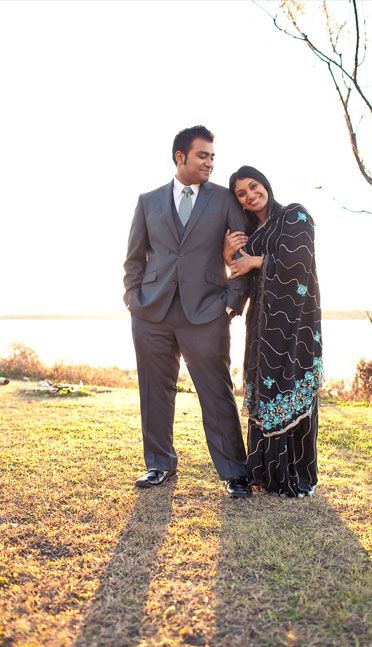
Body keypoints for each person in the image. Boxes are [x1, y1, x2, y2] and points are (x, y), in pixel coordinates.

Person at [123, 125, 252, 498]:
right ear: (180, 157)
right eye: (203, 155)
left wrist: (231, 303)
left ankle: (234, 473)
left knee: (216, 391)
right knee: (154, 390)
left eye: (212, 156)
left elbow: (240, 257)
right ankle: (158, 464)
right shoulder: (148, 201)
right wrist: (133, 298)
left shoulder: (226, 199)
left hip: (206, 312)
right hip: (152, 313)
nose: (210, 162)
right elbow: (134, 257)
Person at [223, 166, 322, 498]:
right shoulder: (251, 235)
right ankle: (267, 474)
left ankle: (298, 478)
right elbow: (244, 281)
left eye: (253, 186)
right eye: (241, 193)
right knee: (266, 396)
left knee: (292, 391)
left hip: (295, 325)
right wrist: (231, 258)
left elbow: (299, 260)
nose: (251, 195)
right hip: (262, 328)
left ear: (264, 184)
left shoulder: (294, 215)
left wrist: (255, 261)